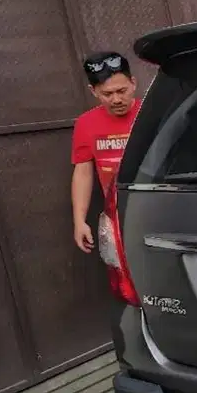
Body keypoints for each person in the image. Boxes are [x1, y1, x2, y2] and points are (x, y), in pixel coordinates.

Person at [71, 52, 142, 253]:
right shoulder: (86, 124)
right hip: (118, 218)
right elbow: (83, 172)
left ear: (133, 83)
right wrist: (79, 220)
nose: (117, 99)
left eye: (122, 90)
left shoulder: (151, 114)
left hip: (155, 209)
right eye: (107, 94)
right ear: (93, 91)